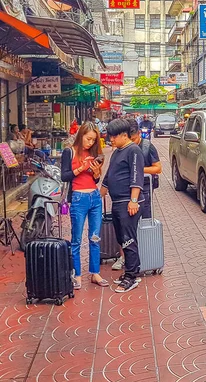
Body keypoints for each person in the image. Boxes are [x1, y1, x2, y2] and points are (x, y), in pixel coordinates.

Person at [100, 118, 145, 293]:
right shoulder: (117, 151)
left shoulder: (133, 150)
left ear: (124, 135)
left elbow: (136, 175)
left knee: (128, 239)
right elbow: (109, 175)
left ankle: (131, 276)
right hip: (117, 203)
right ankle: (132, 269)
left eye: (113, 136)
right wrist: (101, 194)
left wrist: (133, 200)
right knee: (121, 238)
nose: (111, 139)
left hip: (128, 203)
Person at [112, 118, 162, 272]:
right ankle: (124, 257)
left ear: (138, 134)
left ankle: (146, 257)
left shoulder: (147, 147)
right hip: (125, 193)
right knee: (125, 228)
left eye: (133, 139)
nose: (131, 142)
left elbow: (158, 168)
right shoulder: (120, 150)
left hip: (144, 191)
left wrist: (138, 169)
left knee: (143, 223)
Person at [61, 122, 106, 290]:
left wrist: (96, 172)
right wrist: (81, 168)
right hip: (79, 198)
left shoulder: (93, 153)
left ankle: (95, 272)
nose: (90, 143)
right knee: (77, 239)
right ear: (81, 136)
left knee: (95, 237)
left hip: (94, 197)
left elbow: (95, 180)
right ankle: (77, 274)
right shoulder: (69, 151)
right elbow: (64, 176)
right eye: (88, 139)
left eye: (93, 140)